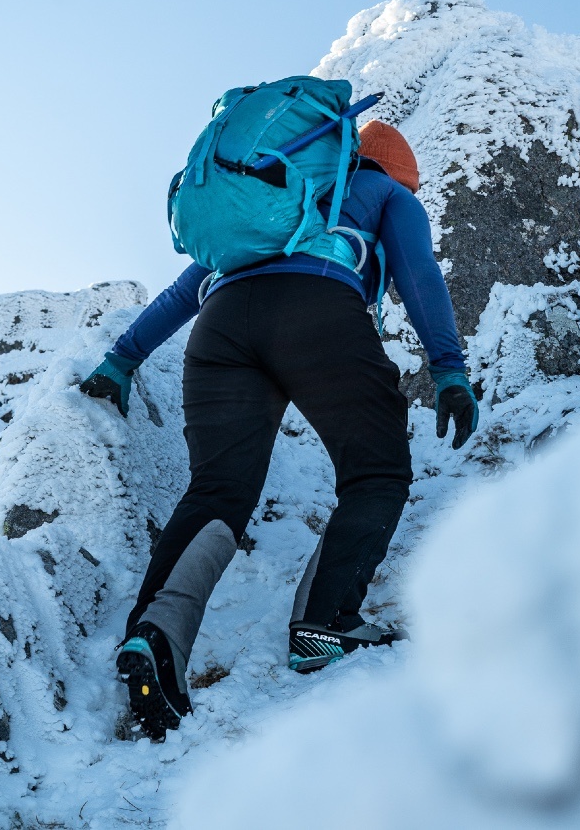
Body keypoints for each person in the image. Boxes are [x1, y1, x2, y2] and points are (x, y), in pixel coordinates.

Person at [81, 120, 478, 739]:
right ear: (400, 175)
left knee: (217, 491)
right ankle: (326, 623)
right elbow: (419, 274)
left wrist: (121, 359)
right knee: (376, 473)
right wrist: (449, 369)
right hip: (320, 314)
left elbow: (185, 290)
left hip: (221, 328)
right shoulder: (388, 196)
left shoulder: (270, 206)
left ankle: (155, 636)